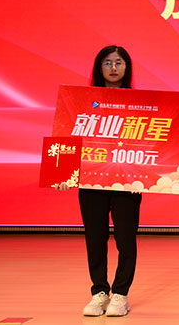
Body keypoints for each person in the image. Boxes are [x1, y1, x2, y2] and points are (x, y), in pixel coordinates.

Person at [54, 45, 140, 317]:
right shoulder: (81, 101)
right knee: (95, 237)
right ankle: (99, 292)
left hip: (128, 181)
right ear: (98, 67)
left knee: (125, 238)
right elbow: (68, 135)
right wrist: (62, 172)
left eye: (119, 62)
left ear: (127, 67)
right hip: (92, 180)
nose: (113, 68)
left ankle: (121, 294)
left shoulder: (141, 103)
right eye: (107, 62)